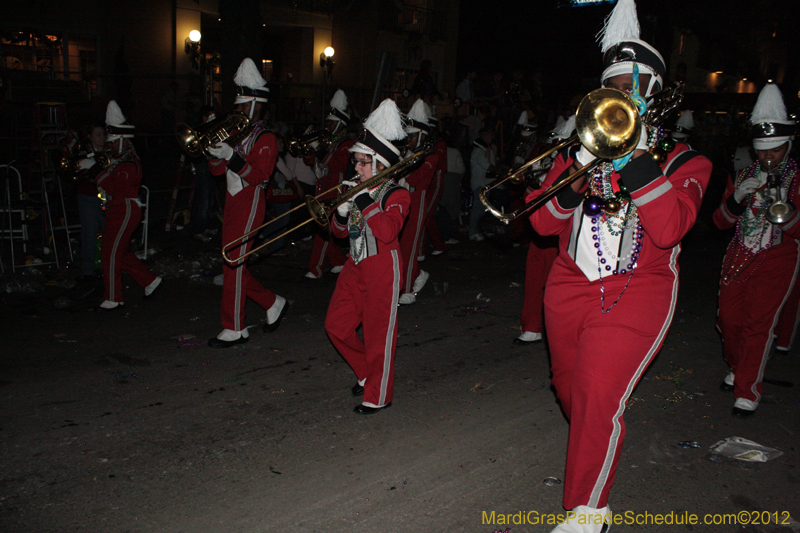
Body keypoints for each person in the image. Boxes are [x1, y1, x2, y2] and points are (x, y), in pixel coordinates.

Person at [526, 0, 711, 529]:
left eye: (630, 90)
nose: (620, 100)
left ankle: (588, 512)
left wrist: (632, 157)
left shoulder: (684, 160)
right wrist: (579, 164)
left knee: (594, 390)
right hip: (569, 284)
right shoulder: (579, 150)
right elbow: (541, 226)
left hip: (639, 288)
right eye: (612, 90)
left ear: (650, 98)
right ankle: (596, 439)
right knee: (571, 387)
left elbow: (671, 228)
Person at [714, 83, 799, 416]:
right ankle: (739, 367)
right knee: (727, 320)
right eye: (762, 150)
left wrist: (787, 211)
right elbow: (719, 222)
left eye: (775, 150)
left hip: (778, 257)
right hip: (739, 254)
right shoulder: (743, 174)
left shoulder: (798, 178)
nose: (767, 157)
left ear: (788, 145)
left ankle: (748, 388)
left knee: (758, 325)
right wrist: (735, 199)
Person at [324, 98, 411, 415]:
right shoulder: (356, 188)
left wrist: (362, 200)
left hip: (382, 271)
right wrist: (343, 212)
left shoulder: (397, 194)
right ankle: (365, 373)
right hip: (354, 266)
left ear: (380, 165)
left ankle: (378, 394)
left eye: (362, 162)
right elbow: (339, 234)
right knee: (335, 326)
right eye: (357, 161)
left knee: (378, 338)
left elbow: (387, 232)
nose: (355, 167)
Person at [206, 58, 288, 348]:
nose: (237, 110)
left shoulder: (265, 137)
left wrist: (232, 157)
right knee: (233, 263)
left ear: (254, 105)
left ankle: (235, 326)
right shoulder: (235, 132)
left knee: (234, 262)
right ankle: (272, 302)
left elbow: (260, 176)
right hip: (232, 199)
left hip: (251, 200)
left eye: (242, 106)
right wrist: (216, 153)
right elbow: (217, 171)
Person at [94, 101, 163, 310]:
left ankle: (114, 297)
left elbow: (115, 187)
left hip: (125, 209)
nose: (110, 146)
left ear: (123, 140)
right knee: (119, 252)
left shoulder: (130, 163)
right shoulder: (121, 159)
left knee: (110, 253)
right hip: (118, 208)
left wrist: (94, 171)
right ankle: (150, 281)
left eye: (113, 142)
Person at [305, 89, 353, 279]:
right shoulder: (328, 140)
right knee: (328, 228)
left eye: (333, 122)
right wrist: (309, 149)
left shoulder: (347, 142)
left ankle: (315, 268)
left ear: (340, 124)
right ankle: (339, 261)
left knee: (322, 228)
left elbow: (337, 163)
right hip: (322, 188)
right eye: (328, 121)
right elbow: (310, 162)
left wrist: (320, 150)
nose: (328, 124)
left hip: (336, 190)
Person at [397, 98, 438, 305]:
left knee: (410, 246)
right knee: (398, 246)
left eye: (413, 136)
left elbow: (420, 180)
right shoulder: (405, 152)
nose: (409, 140)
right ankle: (418, 274)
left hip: (416, 201)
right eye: (408, 136)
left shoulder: (430, 155)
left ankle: (407, 289)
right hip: (399, 201)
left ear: (422, 135)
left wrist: (402, 175)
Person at [73, 123, 107, 281]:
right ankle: (88, 271)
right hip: (88, 197)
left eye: (103, 134)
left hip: (106, 197)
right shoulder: (82, 153)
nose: (102, 137)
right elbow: (78, 174)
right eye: (98, 134)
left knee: (109, 234)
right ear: (90, 137)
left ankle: (109, 267)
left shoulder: (110, 152)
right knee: (89, 234)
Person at [189, 105, 219, 242]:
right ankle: (198, 230)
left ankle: (205, 226)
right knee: (203, 201)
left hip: (212, 169)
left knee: (210, 200)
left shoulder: (214, 130)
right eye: (210, 116)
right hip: (202, 170)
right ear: (204, 118)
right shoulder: (199, 131)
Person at [468, 128, 497, 241]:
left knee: (484, 209)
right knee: (478, 208)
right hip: (480, 183)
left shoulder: (486, 149)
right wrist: (499, 170)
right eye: (490, 135)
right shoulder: (478, 151)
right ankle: (473, 231)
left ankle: (480, 230)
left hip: (486, 183)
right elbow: (488, 166)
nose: (491, 138)